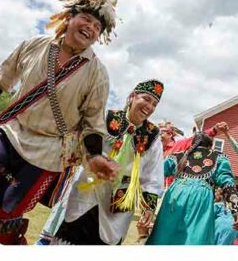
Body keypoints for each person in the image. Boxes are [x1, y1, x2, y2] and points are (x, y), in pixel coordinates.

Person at [0, 0, 119, 244]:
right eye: (86, 18)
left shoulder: (97, 73)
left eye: (97, 27)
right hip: (11, 133)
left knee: (7, 217)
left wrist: (94, 156)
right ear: (69, 17)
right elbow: (0, 80)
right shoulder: (35, 45)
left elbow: (93, 123)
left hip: (48, 154)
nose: (91, 28)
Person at [39, 79, 166, 245]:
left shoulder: (153, 136)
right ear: (132, 96)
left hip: (119, 202)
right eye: (146, 99)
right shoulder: (107, 118)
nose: (149, 107)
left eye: (154, 104)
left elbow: (152, 175)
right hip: (88, 190)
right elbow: (81, 144)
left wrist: (148, 207)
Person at [146, 130, 238, 245]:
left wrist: (148, 204)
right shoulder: (219, 158)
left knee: (166, 234)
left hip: (175, 194)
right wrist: (236, 211)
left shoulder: (178, 156)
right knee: (195, 237)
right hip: (200, 197)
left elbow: (155, 174)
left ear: (192, 143)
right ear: (210, 146)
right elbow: (228, 183)